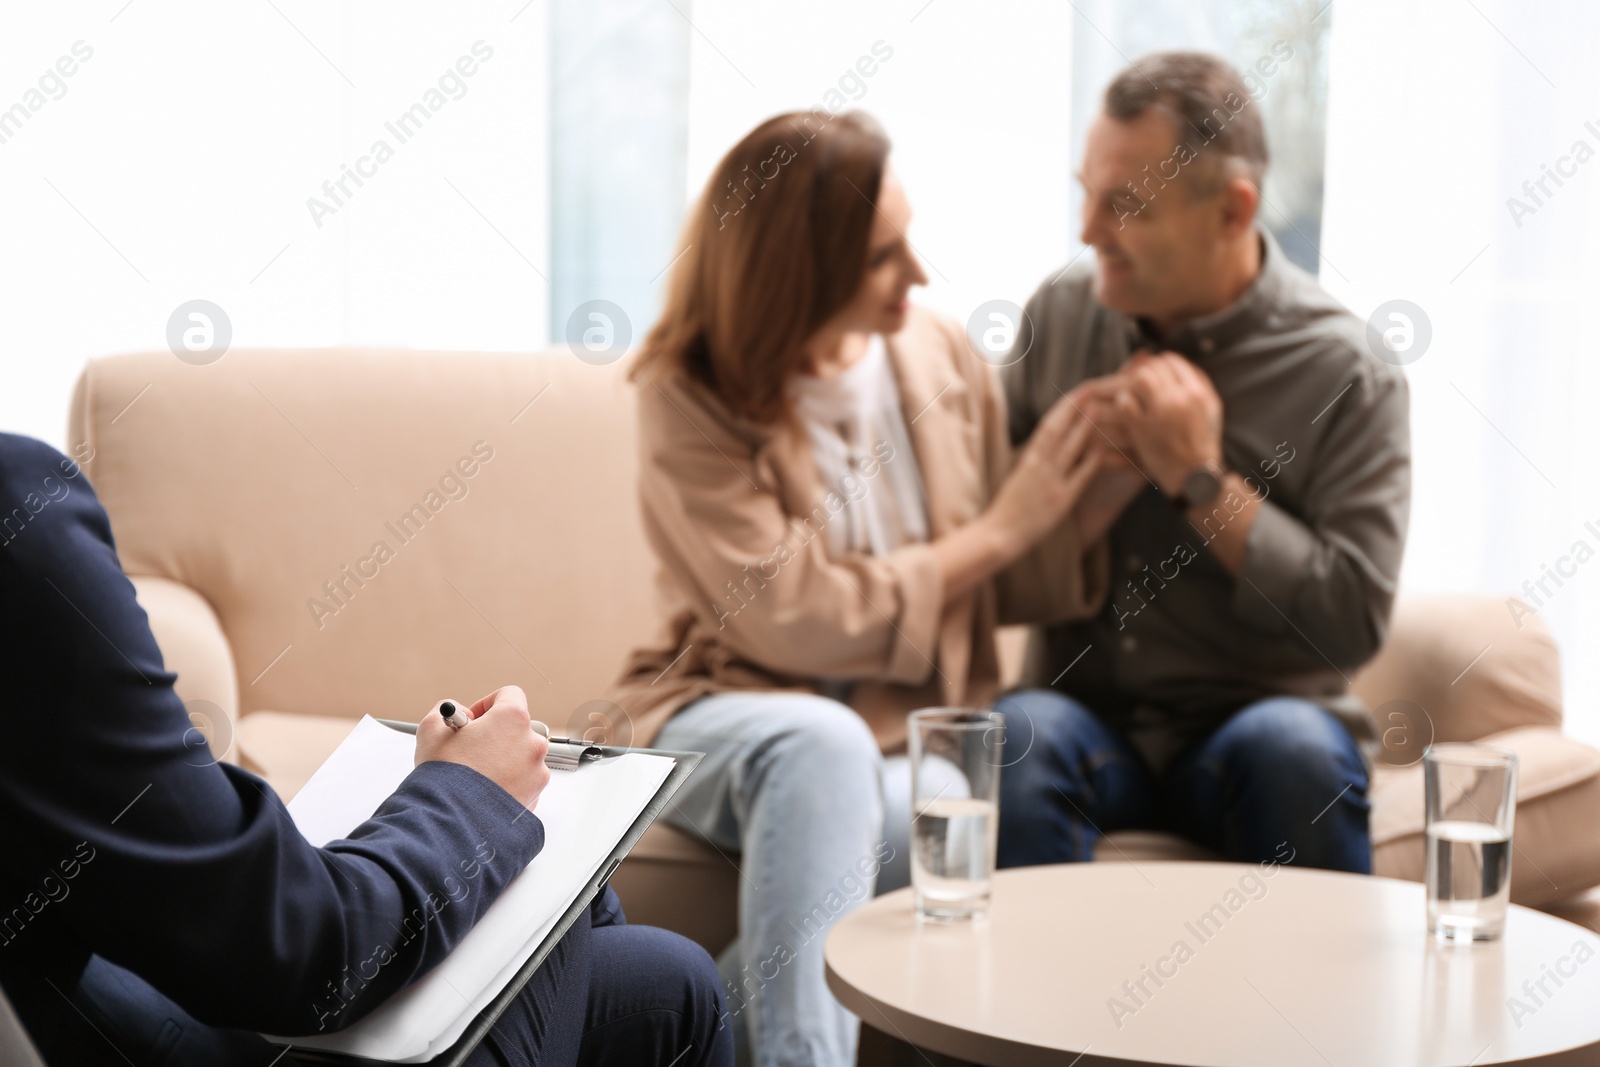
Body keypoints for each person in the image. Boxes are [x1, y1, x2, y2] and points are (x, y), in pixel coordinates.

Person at [607, 110, 1107, 1067]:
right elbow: (794, 615)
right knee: (822, 742)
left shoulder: (942, 356)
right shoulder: (688, 392)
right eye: (882, 256)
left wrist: (1085, 490)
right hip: (724, 712)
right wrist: (1005, 528)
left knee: (905, 804)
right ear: (796, 272)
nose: (918, 274)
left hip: (896, 740)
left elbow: (996, 577)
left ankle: (663, 1034)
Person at [0, 432, 732, 1067]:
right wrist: (475, 796)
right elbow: (292, 951)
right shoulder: (16, 513)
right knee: (536, 846)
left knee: (670, 981)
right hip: (193, 1012)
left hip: (108, 1007)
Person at [996, 51, 1411, 874]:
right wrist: (1076, 495)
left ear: (1233, 209)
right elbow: (982, 558)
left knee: (1294, 751)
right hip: (1083, 725)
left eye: (1125, 206)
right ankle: (1003, 1006)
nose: (1088, 232)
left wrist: (1200, 482)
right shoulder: (1060, 317)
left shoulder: (1346, 372)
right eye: (1088, 193)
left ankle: (1313, 1009)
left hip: (1257, 726)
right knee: (1013, 735)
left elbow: (1352, 620)